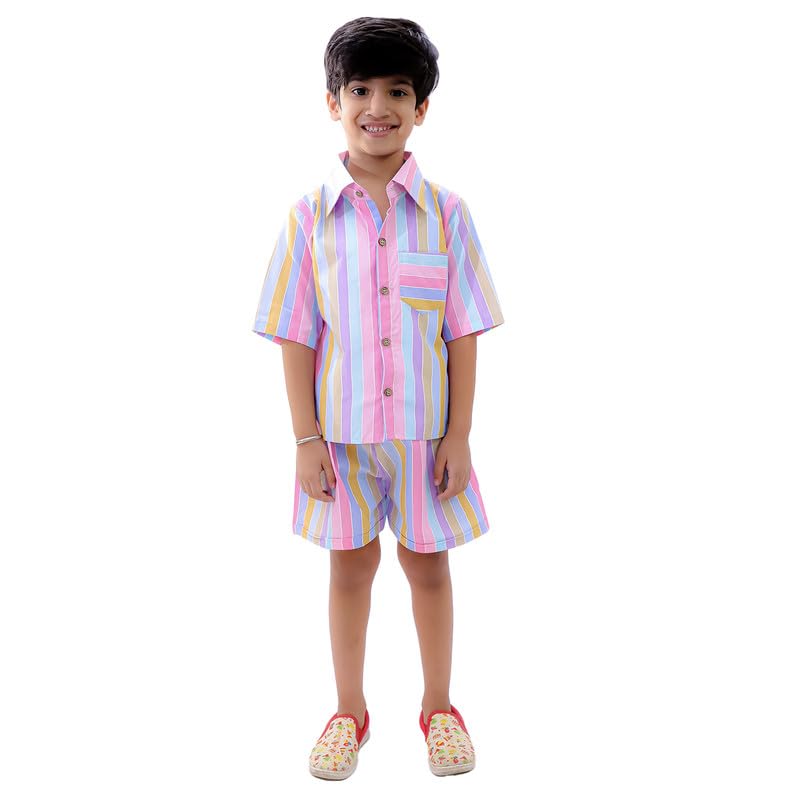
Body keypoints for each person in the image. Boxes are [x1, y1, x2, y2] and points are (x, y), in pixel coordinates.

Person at [252, 16, 504, 779]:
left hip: (426, 439)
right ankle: (349, 712)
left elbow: (462, 333)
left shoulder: (448, 214)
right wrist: (306, 440)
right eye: (359, 89)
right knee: (350, 570)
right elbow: (296, 334)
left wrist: (459, 434)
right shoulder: (308, 217)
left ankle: (439, 708)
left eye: (398, 91)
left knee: (429, 569)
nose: (377, 106)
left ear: (420, 107)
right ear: (334, 102)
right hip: (343, 442)